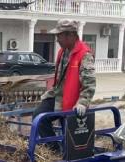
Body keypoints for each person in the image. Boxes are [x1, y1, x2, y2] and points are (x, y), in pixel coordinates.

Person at [33, 19, 96, 153]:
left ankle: (67, 155)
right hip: (58, 97)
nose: (57, 40)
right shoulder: (62, 52)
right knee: (39, 116)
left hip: (73, 103)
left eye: (59, 36)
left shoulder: (84, 55)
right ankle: (53, 149)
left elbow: (89, 83)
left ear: (70, 35)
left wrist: (83, 103)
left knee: (70, 141)